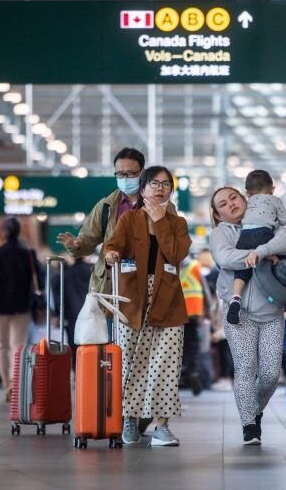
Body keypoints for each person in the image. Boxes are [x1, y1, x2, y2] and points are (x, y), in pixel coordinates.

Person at [103, 166, 192, 447]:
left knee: (166, 364)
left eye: (166, 184)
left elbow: (176, 254)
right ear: (142, 190)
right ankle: (129, 419)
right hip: (132, 300)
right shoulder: (129, 219)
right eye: (154, 183)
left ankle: (161, 426)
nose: (160, 188)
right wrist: (112, 253)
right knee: (130, 362)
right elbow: (111, 245)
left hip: (168, 301)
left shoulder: (177, 223)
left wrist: (160, 221)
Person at [209, 186, 286, 445]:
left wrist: (259, 251)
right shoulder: (218, 234)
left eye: (234, 198)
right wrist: (262, 253)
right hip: (239, 312)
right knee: (246, 369)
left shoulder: (268, 224)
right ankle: (249, 424)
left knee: (270, 374)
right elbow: (225, 258)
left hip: (271, 311)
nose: (231, 204)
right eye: (223, 204)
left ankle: (254, 410)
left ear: (246, 199)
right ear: (217, 214)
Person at [57, 147, 147, 322]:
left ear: (142, 173)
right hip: (111, 285)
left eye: (130, 174)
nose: (124, 179)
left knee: (144, 343)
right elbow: (89, 238)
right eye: (120, 174)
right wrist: (77, 244)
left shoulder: (156, 205)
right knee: (111, 342)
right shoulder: (106, 207)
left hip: (145, 284)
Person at [0, 217, 42, 402]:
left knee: (2, 348)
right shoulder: (28, 253)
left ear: (3, 232)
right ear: (19, 232)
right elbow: (40, 282)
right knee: (17, 348)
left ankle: (7, 387)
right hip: (22, 306)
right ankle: (15, 384)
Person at [225, 170, 286, 325]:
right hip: (264, 234)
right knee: (282, 261)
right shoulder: (274, 200)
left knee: (242, 270)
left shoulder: (247, 203)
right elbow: (284, 220)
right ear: (272, 189)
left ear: (247, 193)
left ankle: (236, 298)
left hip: (245, 237)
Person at [199, 248, 234, 391]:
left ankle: (227, 379)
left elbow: (220, 314)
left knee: (226, 351)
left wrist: (217, 332)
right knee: (226, 351)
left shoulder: (220, 295)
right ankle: (227, 379)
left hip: (226, 329)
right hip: (226, 327)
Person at [51, 256, 93, 370]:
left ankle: (78, 372)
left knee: (75, 345)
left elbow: (59, 297)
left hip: (72, 316)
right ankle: (91, 370)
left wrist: (59, 314)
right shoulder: (91, 270)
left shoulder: (65, 274)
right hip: (91, 314)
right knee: (92, 343)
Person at [179, 256, 204, 395]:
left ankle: (182, 375)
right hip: (194, 312)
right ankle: (193, 372)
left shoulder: (172, 265)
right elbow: (205, 290)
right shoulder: (195, 266)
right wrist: (207, 314)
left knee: (179, 347)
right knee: (193, 346)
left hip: (177, 313)